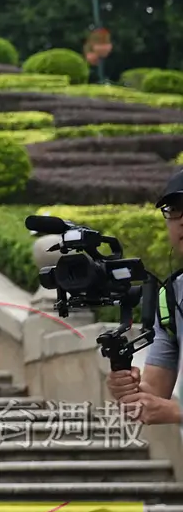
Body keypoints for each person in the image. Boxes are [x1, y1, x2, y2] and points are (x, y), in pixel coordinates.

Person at [106, 168, 183, 428]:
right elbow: (156, 393)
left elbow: (175, 410)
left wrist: (178, 412)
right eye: (174, 210)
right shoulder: (172, 295)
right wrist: (128, 386)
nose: (181, 219)